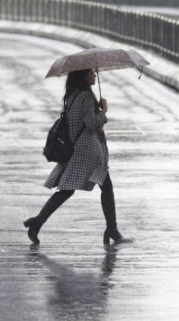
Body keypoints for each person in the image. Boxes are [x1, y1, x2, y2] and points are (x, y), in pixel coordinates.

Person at [23, 68, 129, 246]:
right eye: (91, 73)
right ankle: (112, 229)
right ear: (83, 76)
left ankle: (38, 222)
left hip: (77, 148)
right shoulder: (86, 96)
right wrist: (104, 111)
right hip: (88, 150)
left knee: (68, 189)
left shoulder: (72, 96)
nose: (94, 75)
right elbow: (91, 123)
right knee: (106, 186)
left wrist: (97, 115)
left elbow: (82, 122)